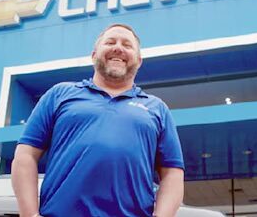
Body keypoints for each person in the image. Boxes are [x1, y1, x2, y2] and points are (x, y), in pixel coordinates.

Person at [11, 24, 185, 217]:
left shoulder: (157, 108)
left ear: (139, 60)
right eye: (110, 42)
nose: (118, 48)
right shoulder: (59, 94)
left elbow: (172, 173)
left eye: (127, 45)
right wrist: (29, 215)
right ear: (94, 55)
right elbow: (25, 154)